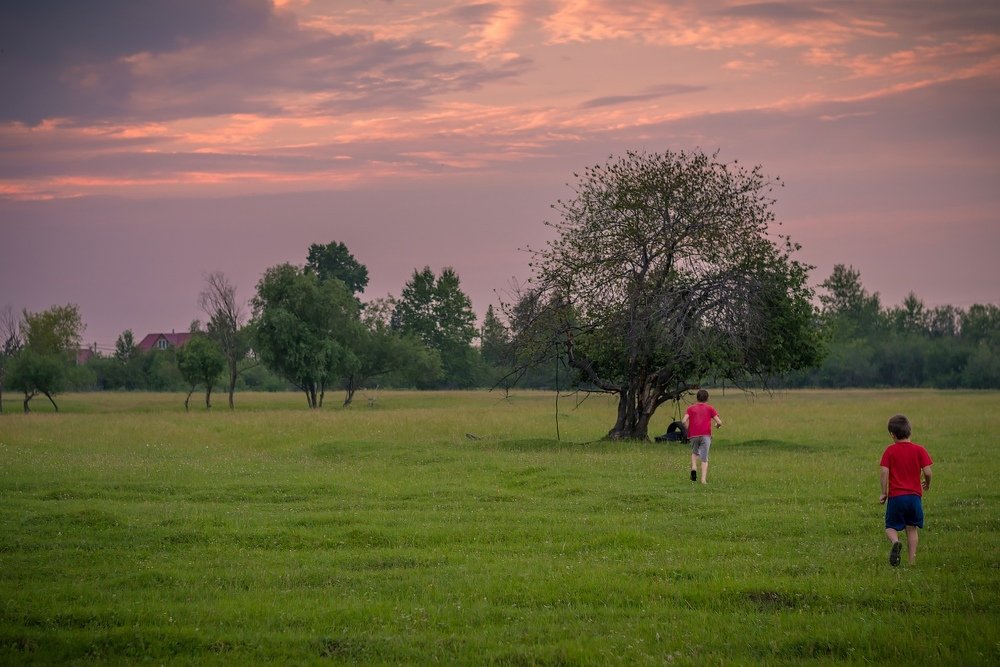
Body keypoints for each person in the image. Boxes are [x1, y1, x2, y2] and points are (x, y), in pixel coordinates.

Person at [879, 414, 933, 566]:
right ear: (910, 431)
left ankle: (895, 542)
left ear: (892, 435)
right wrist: (927, 483)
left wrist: (884, 492)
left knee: (890, 527)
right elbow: (928, 472)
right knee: (912, 529)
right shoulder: (919, 450)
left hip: (896, 497)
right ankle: (911, 562)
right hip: (914, 497)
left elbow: (884, 472)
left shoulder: (890, 451)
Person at [682, 389, 722, 484]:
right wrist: (717, 426)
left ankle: (694, 467)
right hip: (706, 435)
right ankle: (703, 480)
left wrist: (689, 429)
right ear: (707, 398)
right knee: (704, 458)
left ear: (697, 398)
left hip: (693, 435)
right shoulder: (710, 408)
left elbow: (683, 421)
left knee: (695, 452)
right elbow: (719, 422)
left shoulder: (690, 408)